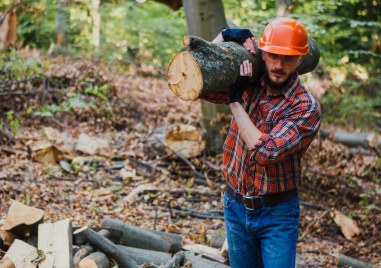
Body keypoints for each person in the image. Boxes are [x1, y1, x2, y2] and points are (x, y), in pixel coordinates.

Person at [207, 18, 321, 267]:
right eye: (273, 56)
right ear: (262, 52)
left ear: (300, 59)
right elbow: (198, 81)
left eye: (288, 59)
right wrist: (223, 36)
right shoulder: (248, 80)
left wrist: (235, 101)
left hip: (277, 214)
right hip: (235, 206)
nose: (279, 65)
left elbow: (266, 152)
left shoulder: (304, 106)